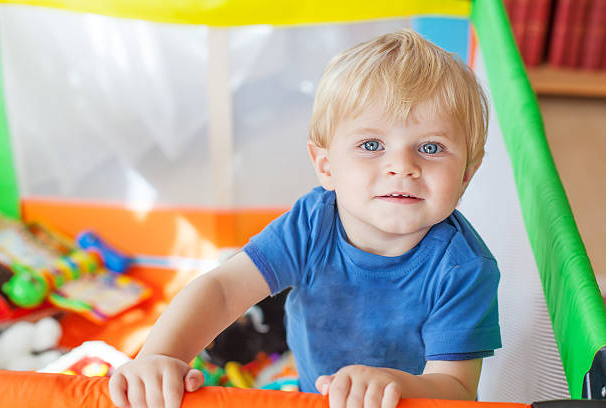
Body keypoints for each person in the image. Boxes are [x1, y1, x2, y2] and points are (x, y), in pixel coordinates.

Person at [109, 28, 501, 408]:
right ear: (326, 166)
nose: (402, 166)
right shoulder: (313, 223)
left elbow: (457, 389)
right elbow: (224, 291)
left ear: (467, 173)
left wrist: (395, 385)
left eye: (431, 147)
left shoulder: (463, 268)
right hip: (309, 393)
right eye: (371, 145)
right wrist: (161, 356)